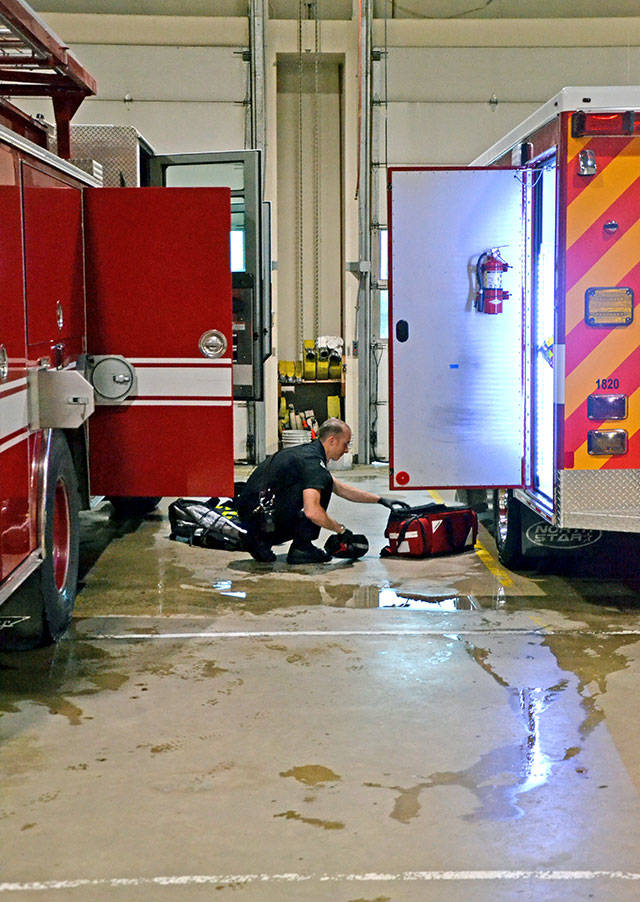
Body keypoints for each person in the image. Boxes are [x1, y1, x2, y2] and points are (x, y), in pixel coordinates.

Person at [237, 417, 405, 564]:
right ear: (332, 440)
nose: (346, 450)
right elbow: (312, 512)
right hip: (261, 525)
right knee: (321, 488)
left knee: (325, 482)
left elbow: (340, 488)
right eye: (345, 444)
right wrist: (341, 531)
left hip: (251, 521)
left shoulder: (306, 454)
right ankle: (302, 549)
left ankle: (260, 542)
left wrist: (379, 499)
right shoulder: (314, 465)